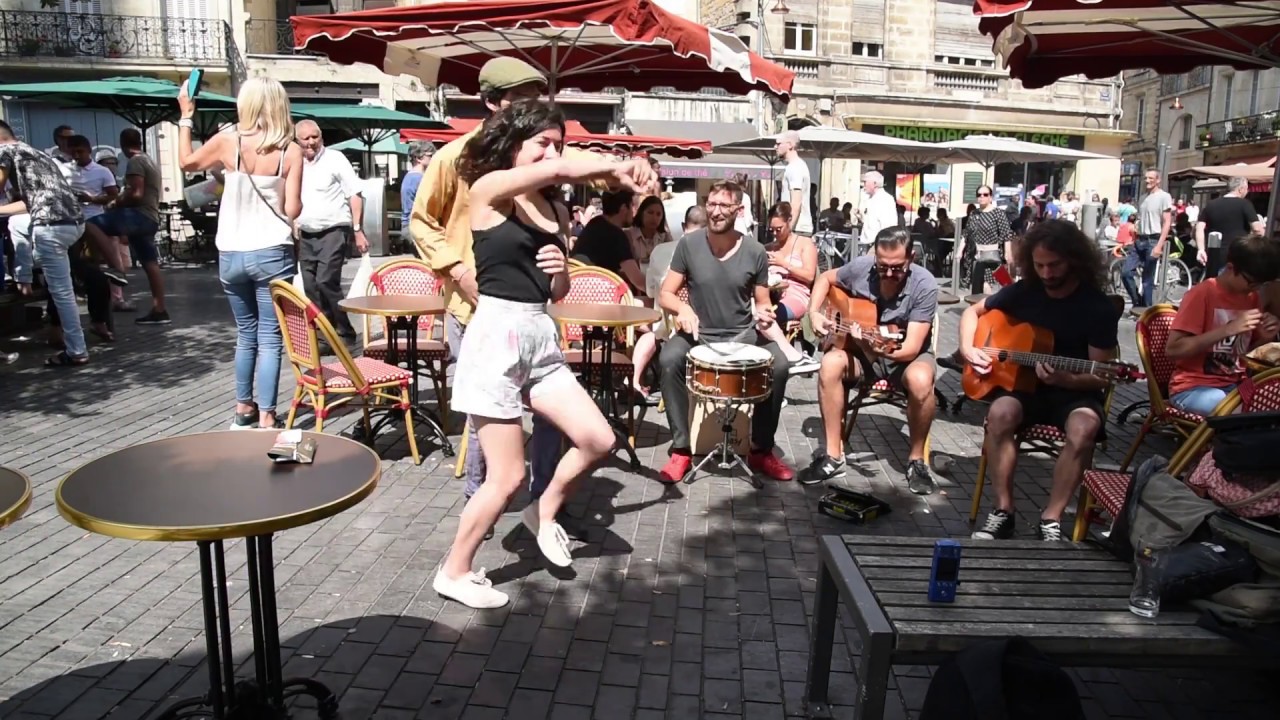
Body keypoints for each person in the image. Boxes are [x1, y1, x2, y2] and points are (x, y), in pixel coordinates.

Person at [410, 56, 656, 534]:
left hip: (531, 313)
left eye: (533, 99)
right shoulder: (456, 158)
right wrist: (459, 270)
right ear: (489, 103)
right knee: (491, 431)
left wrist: (624, 166)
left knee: (552, 420)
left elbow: (576, 169)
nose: (528, 109)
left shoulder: (541, 156)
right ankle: (482, 509)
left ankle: (544, 504)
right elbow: (422, 224)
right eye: (517, 100)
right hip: (474, 309)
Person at [433, 99, 645, 608]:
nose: (552, 152)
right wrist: (617, 163)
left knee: (598, 439)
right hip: (496, 335)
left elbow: (558, 292)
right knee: (506, 475)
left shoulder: (553, 207)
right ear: (515, 145)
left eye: (558, 142)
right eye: (542, 142)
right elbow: (561, 169)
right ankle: (454, 570)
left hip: (538, 334)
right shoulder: (488, 190)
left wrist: (557, 269)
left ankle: (542, 511)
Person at [959, 220, 1120, 542]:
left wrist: (1067, 378)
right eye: (1039, 265)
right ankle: (1003, 510)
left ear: (1075, 260)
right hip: (1023, 388)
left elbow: (1100, 377)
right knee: (1000, 414)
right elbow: (972, 313)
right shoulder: (1025, 292)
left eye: (1054, 265)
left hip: (1074, 392)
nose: (1047, 274)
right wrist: (968, 349)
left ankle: (1051, 517)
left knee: (1084, 427)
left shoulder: (1097, 307)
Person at [178, 77, 303, 430]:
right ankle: (267, 416)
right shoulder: (290, 150)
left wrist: (186, 116)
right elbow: (292, 209)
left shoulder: (227, 142)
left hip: (231, 251)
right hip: (272, 252)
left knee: (245, 333)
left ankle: (243, 408)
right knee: (269, 336)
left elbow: (187, 164)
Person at [656, 181, 796, 484]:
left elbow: (762, 303)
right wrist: (682, 310)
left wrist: (765, 314)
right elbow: (665, 293)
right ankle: (681, 449)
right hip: (699, 334)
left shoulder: (755, 251)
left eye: (724, 206)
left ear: (739, 210)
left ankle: (761, 450)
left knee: (780, 366)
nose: (716, 212)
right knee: (669, 359)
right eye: (712, 204)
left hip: (743, 334)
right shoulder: (688, 245)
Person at [807, 227, 940, 493]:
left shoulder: (924, 285)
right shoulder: (862, 267)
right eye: (882, 267)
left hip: (904, 357)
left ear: (911, 258)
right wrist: (813, 313)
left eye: (897, 268)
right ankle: (833, 454)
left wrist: (876, 348)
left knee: (921, 378)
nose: (889, 274)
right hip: (863, 356)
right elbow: (825, 278)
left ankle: (917, 461)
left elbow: (911, 348)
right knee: (830, 363)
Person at [0, 120, 88, 366]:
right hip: (74, 222)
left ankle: (76, 351)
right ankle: (27, 273)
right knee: (20, 228)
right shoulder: (37, 153)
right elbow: (31, 201)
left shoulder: (3, 151)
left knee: (61, 292)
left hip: (50, 225)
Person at [1165, 234, 1279, 415]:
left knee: (1267, 410)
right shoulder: (1203, 294)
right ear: (1231, 268)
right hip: (1192, 387)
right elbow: (1173, 350)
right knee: (1245, 414)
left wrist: (1265, 337)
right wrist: (1227, 329)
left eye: (1261, 284)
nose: (1256, 289)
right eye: (1252, 282)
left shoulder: (1251, 297)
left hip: (1236, 386)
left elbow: (1243, 355)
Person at [83, 127, 170, 325]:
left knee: (90, 225)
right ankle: (160, 309)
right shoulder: (149, 160)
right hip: (151, 218)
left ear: (123, 145)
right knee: (150, 263)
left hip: (137, 216)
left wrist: (116, 202)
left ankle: (115, 268)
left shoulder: (136, 161)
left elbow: (136, 193)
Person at [295, 118, 367, 346]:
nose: (311, 142)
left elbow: (355, 194)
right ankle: (324, 336)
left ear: (321, 137)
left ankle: (344, 332)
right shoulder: (294, 162)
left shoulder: (335, 159)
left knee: (326, 281)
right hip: (306, 233)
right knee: (310, 286)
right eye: (305, 138)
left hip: (333, 231)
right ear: (297, 141)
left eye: (315, 137)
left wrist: (357, 230)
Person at [762, 202, 820, 374]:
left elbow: (809, 276)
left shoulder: (804, 244)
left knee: (771, 316)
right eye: (771, 229)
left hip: (797, 295)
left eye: (778, 229)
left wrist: (783, 264)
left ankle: (789, 357)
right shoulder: (769, 248)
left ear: (789, 221)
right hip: (770, 294)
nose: (774, 233)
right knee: (757, 315)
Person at [572, 189, 646, 293]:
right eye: (632, 206)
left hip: (576, 291)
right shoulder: (617, 235)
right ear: (624, 208)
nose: (634, 212)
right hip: (597, 296)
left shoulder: (595, 223)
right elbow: (639, 282)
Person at [1121, 169, 1173, 308]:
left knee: (1147, 280)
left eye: (1151, 178)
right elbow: (1140, 219)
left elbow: (1167, 222)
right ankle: (1137, 302)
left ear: (1158, 180)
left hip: (1153, 240)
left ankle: (1147, 309)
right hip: (1140, 239)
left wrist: (1159, 245)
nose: (1147, 181)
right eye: (1145, 178)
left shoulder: (1164, 196)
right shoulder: (1143, 197)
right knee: (1126, 272)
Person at [1195, 176, 1263, 278]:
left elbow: (1199, 227)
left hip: (1214, 254)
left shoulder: (1211, 204)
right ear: (1241, 189)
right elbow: (1257, 230)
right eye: (1246, 189)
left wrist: (1201, 249)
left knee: (1213, 286)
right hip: (1237, 254)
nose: (1247, 192)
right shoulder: (1245, 204)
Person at [961, 185, 1013, 295]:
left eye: (985, 194)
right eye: (979, 195)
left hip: (992, 256)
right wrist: (959, 251)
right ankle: (979, 308)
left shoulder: (998, 213)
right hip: (977, 256)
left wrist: (1008, 253)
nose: (982, 197)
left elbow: (1006, 234)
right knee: (976, 286)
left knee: (986, 285)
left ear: (990, 197)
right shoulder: (974, 214)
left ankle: (987, 308)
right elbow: (966, 233)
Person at [776, 131, 812, 235]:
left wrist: (787, 230)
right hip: (798, 228)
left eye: (779, 144)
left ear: (790, 145)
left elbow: (796, 203)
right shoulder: (796, 166)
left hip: (798, 229)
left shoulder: (795, 167)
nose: (775, 147)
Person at [399, 141, 433, 248]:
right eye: (430, 155)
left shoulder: (410, 176)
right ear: (418, 158)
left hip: (409, 226)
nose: (433, 158)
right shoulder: (419, 179)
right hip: (417, 227)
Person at [858, 170, 899, 252]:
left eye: (865, 182)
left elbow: (889, 225)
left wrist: (882, 245)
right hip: (869, 244)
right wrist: (861, 217)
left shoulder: (885, 199)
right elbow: (871, 222)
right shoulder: (870, 199)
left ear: (875, 184)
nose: (863, 185)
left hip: (878, 245)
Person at [627, 194, 670, 265]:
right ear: (641, 213)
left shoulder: (665, 237)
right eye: (650, 213)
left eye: (658, 214)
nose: (654, 218)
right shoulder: (629, 235)